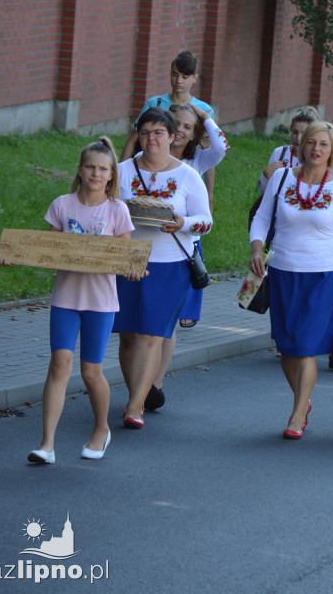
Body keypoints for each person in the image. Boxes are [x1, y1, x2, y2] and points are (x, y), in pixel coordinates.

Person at [0, 138, 138, 463]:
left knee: (91, 372)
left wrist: (132, 271)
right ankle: (47, 445)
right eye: (90, 167)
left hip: (100, 303)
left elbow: (126, 258)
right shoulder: (61, 205)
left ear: (111, 174)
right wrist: (13, 255)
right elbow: (45, 250)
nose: (96, 173)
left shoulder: (117, 210)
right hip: (66, 299)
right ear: (80, 169)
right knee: (59, 364)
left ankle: (101, 429)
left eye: (103, 169)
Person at [248, 121, 333, 440]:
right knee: (286, 347)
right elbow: (260, 219)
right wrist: (257, 249)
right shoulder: (282, 178)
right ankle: (304, 399)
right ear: (302, 146)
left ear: (332, 151)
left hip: (323, 276)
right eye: (312, 142)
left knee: (305, 348)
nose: (316, 149)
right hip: (283, 273)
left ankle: (297, 414)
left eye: (324, 144)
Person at [114, 108, 213, 430]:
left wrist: (184, 223)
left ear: (172, 137)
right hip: (129, 262)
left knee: (151, 335)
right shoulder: (122, 172)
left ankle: (134, 405)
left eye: (158, 133)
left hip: (170, 266)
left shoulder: (187, 176)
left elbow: (206, 221)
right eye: (145, 133)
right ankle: (137, 393)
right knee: (127, 336)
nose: (151, 139)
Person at [145, 103, 230, 411]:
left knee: (168, 324)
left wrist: (206, 117)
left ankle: (156, 382)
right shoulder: (146, 159)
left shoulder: (198, 159)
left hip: (185, 248)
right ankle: (142, 381)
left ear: (194, 134)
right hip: (148, 246)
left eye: (186, 126)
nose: (180, 130)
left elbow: (223, 147)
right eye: (175, 124)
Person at [120, 51, 214, 162]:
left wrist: (207, 180)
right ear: (170, 74)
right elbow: (133, 140)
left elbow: (208, 149)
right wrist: (120, 173)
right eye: (175, 75)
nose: (179, 81)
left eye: (185, 77)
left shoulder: (204, 110)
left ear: (195, 78)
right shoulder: (155, 103)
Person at [258, 106, 320, 195]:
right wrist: (265, 176)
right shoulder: (279, 154)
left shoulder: (317, 159)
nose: (298, 138)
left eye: (303, 133)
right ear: (290, 131)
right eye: (295, 132)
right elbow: (264, 193)